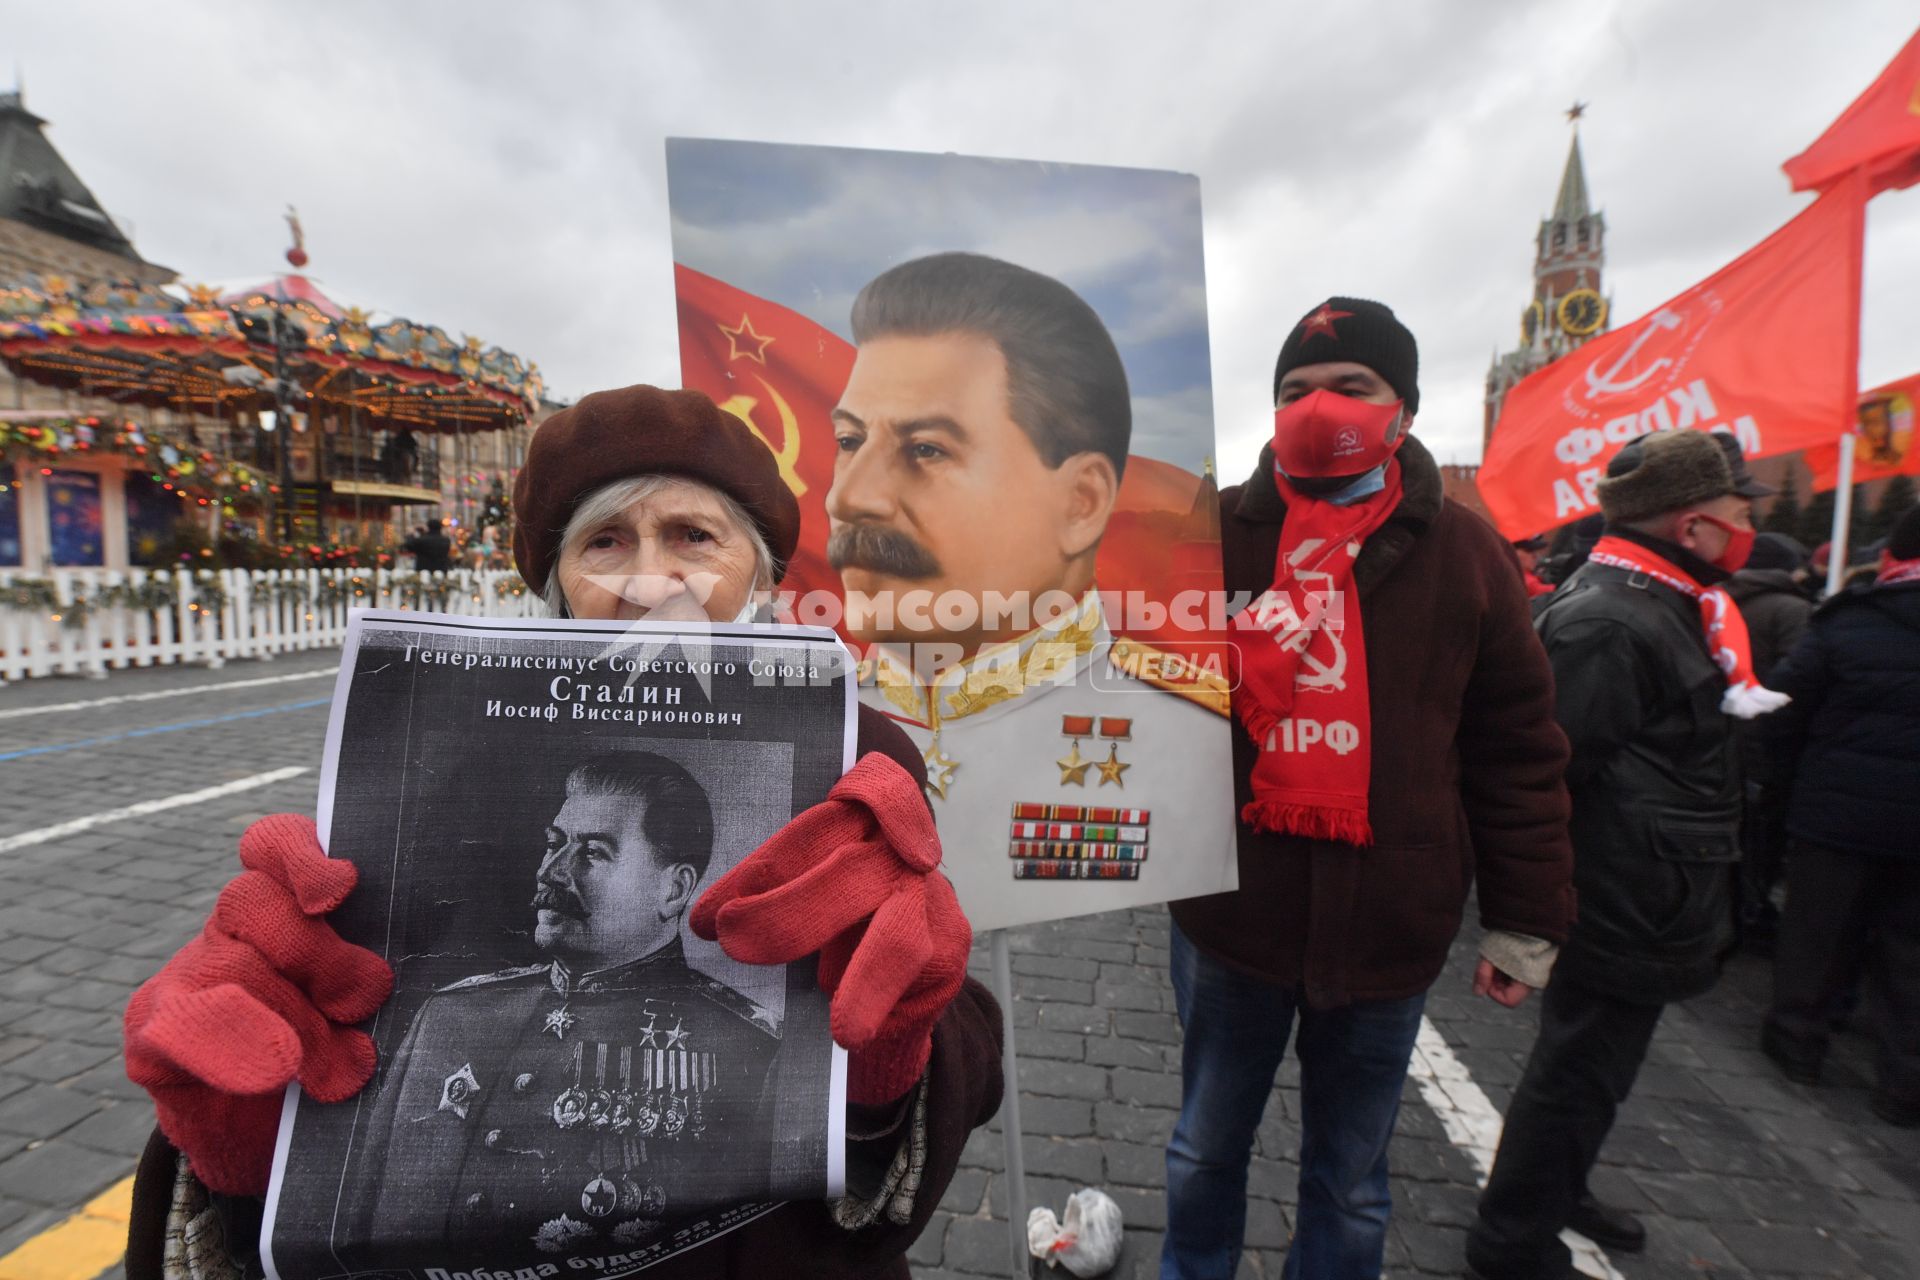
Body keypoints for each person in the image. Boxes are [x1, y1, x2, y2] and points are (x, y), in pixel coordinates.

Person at [122, 385, 1003, 1280]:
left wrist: (900, 1041)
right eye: (605, 540)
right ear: (556, 584)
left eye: (695, 535)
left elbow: (908, 1073)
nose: (650, 578)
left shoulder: (861, 751)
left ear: (761, 575)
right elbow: (346, 1168)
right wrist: (240, 1144)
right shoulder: (439, 826)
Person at [1162, 298, 1576, 1280]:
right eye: (1295, 390)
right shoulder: (1206, 532)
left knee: (1350, 1180)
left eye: (1350, 387)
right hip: (1233, 915)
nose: (1318, 407)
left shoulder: (1469, 554)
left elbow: (1516, 748)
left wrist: (1527, 917)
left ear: (1405, 409)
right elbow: (1131, 692)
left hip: (1391, 925)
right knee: (1203, 1147)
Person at [1467, 430, 1782, 1280]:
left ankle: (1556, 1190)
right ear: (1690, 525)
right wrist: (1525, 919)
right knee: (1574, 1075)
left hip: (1653, 891)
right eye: (1735, 508)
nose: (1747, 520)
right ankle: (1512, 1241)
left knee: (1597, 1076)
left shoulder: (1667, 600)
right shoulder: (1612, 618)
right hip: (1616, 894)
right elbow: (1547, 771)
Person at [826, 252, 1228, 897]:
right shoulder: (821, 721)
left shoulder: (1196, 738)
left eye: (926, 448)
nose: (849, 499)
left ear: (1082, 503)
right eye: (848, 442)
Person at [344, 753, 782, 1248]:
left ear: (674, 889)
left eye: (593, 852)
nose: (551, 872)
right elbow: (361, 1238)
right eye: (553, 844)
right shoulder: (448, 1017)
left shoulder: (751, 1051)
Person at [1760, 505, 1920, 1127]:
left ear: (1890, 558)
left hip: (1837, 815)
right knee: (1911, 954)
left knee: (1818, 934)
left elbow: (1784, 708)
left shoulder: (1849, 623)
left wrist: (1786, 783)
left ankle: (1797, 1041)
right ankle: (1905, 1080)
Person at [1726, 531, 1814, 947]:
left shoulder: (1717, 601)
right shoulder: (1791, 610)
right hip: (1766, 743)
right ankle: (1747, 913)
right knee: (1760, 838)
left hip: (1721, 735)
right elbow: (1800, 684)